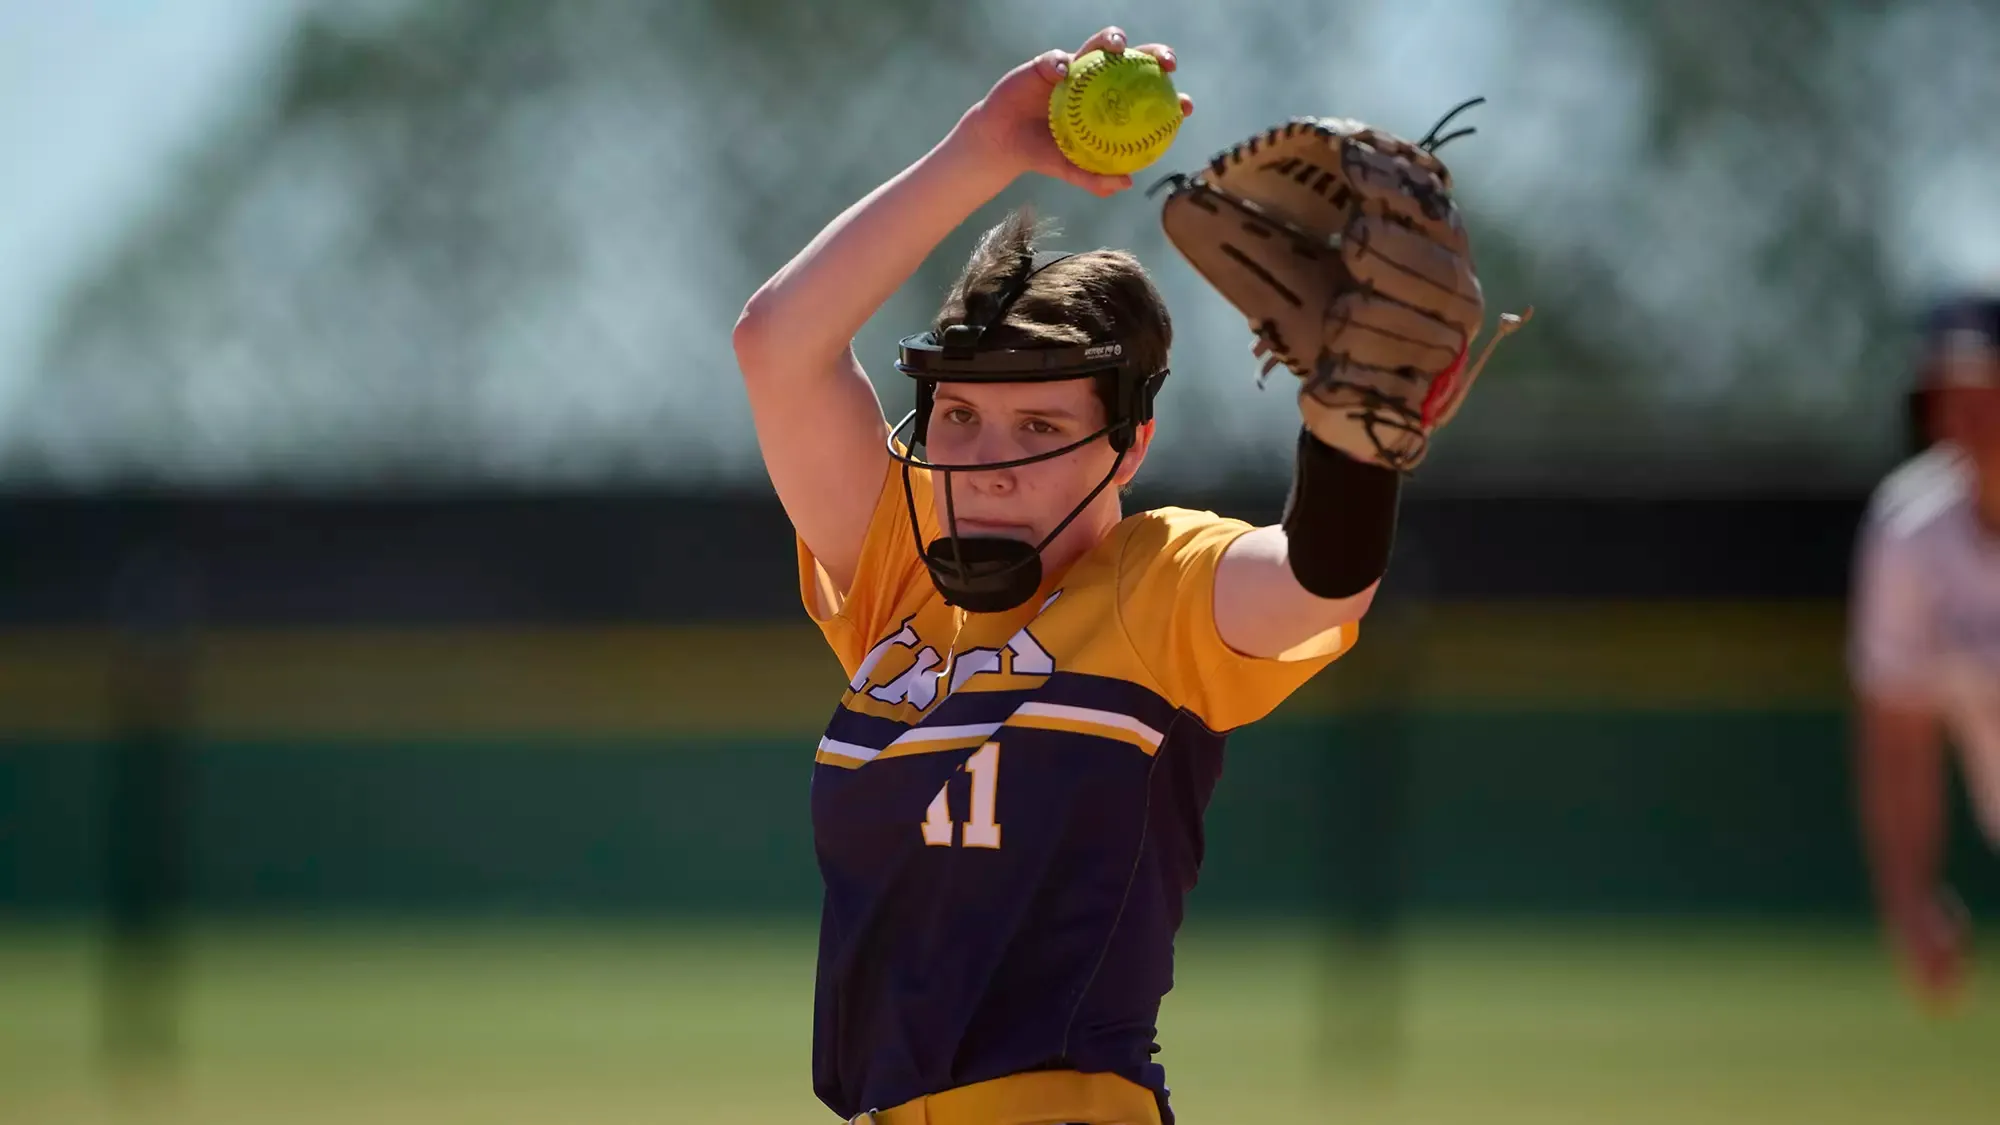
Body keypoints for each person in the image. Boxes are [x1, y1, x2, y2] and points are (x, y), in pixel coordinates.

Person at [733, 26, 1480, 1124]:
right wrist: (981, 148)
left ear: (1126, 449)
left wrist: (1350, 442)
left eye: (1037, 422)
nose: (982, 464)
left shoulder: (1154, 588)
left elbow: (1319, 580)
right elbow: (775, 345)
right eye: (957, 416)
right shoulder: (901, 585)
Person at [1849, 292, 2000, 1014]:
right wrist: (1912, 898)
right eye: (1947, 391)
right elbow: (1900, 733)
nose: (1964, 411)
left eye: (1984, 388)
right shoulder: (1911, 530)